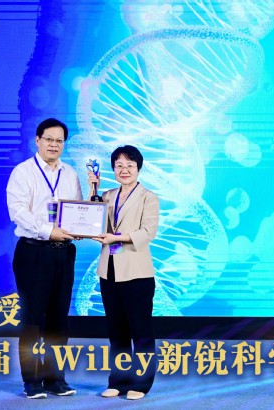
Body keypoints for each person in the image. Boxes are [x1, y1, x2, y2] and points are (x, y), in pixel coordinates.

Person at [5, 118, 81, 399]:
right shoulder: (23, 172)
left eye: (59, 141)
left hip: (64, 253)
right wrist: (49, 231)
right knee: (33, 318)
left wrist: (82, 228)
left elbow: (77, 208)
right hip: (33, 252)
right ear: (37, 140)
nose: (54, 145)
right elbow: (18, 211)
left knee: (59, 320)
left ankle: (55, 378)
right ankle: (32, 381)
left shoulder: (70, 173)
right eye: (49, 139)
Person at [88, 145, 159, 400]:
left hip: (137, 272)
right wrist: (93, 189)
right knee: (116, 331)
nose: (124, 170)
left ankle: (141, 384)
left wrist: (116, 237)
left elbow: (147, 233)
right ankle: (118, 381)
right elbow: (93, 220)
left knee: (140, 331)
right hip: (109, 271)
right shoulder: (107, 194)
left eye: (130, 165)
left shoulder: (148, 197)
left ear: (138, 168)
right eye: (119, 165)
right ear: (113, 169)